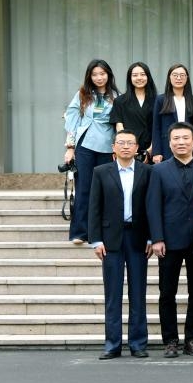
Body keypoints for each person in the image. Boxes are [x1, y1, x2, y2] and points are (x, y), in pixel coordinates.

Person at [146, 121, 193, 358]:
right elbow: (153, 206)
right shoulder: (158, 170)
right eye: (176, 138)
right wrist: (157, 238)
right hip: (169, 241)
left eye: (186, 138)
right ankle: (170, 341)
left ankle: (192, 340)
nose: (181, 142)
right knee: (167, 293)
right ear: (169, 143)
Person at [88, 129, 151, 359]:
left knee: (138, 292)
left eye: (130, 143)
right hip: (111, 239)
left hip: (138, 237)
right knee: (113, 294)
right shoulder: (101, 172)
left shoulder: (147, 171)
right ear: (113, 147)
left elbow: (151, 206)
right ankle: (112, 344)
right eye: (121, 143)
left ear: (137, 148)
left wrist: (152, 237)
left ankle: (138, 343)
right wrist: (95, 240)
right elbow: (94, 207)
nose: (125, 146)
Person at [64, 59, 118, 244]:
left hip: (107, 147)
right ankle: (80, 232)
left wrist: (118, 149)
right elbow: (72, 120)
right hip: (85, 145)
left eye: (102, 74)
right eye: (94, 74)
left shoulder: (117, 96)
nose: (99, 77)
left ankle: (102, 232)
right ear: (89, 76)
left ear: (108, 75)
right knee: (84, 188)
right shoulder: (82, 94)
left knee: (106, 189)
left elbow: (119, 124)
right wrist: (70, 148)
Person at [111, 61, 156, 163]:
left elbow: (159, 127)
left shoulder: (158, 100)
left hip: (152, 150)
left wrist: (150, 150)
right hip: (128, 149)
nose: (139, 78)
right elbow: (119, 126)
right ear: (130, 78)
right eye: (135, 75)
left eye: (142, 74)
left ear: (148, 77)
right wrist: (128, 146)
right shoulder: (120, 101)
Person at [151, 63, 193, 164]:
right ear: (169, 78)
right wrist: (156, 152)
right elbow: (156, 127)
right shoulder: (161, 100)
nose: (178, 78)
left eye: (182, 75)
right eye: (175, 75)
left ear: (187, 78)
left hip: (187, 146)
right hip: (166, 146)